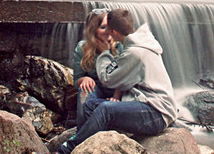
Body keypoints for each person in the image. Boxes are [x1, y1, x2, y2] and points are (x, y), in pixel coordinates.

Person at [58, 8, 177, 154]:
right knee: (90, 105)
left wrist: (105, 52)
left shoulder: (134, 53)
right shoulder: (138, 44)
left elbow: (108, 78)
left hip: (156, 112)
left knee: (105, 109)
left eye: (108, 28)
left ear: (114, 32)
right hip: (144, 103)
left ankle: (69, 149)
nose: (106, 32)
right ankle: (92, 143)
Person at [73, 8, 123, 124]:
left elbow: (125, 77)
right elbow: (76, 80)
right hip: (98, 89)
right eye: (103, 27)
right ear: (93, 30)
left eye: (110, 27)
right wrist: (84, 79)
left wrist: (116, 96)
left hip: (119, 90)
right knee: (85, 90)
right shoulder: (82, 48)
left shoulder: (119, 46)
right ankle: (83, 128)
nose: (108, 31)